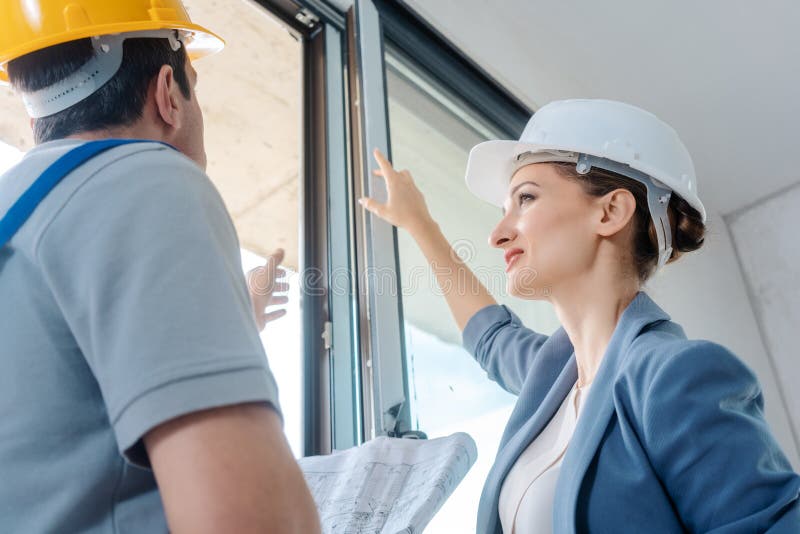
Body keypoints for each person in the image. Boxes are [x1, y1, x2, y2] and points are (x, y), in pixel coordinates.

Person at [360, 99, 800, 533]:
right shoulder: (552, 380)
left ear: (609, 212)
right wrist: (420, 224)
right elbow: (490, 337)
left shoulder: (676, 374)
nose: (497, 234)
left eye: (525, 199)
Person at [0, 1, 319, 532]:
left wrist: (233, 313)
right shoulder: (145, 176)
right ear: (168, 93)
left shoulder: (19, 216)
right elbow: (249, 520)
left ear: (37, 114)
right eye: (196, 84)